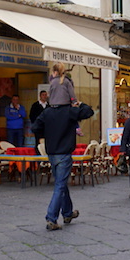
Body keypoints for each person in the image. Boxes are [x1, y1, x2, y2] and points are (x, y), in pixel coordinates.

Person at [31, 97, 94, 230]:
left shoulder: (47, 112)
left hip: (52, 152)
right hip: (64, 152)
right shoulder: (69, 111)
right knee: (60, 185)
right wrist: (80, 104)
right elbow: (88, 111)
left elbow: (35, 127)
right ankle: (51, 218)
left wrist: (49, 133)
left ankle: (67, 213)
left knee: (62, 183)